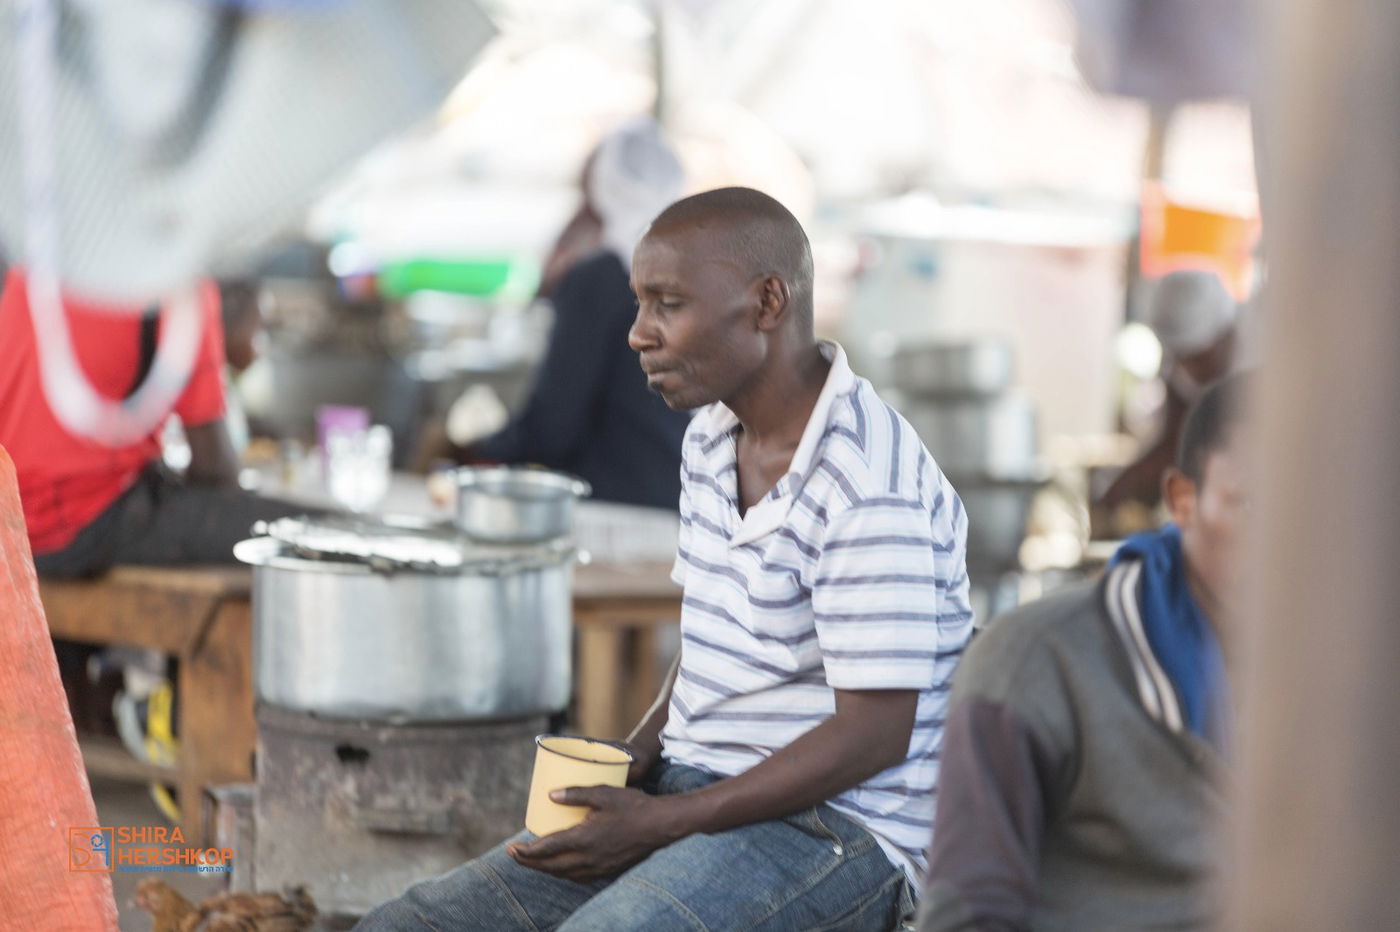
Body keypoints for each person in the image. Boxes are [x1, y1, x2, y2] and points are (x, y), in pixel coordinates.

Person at [356, 187, 973, 930]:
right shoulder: (713, 438)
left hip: (837, 831)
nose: (636, 334)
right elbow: (714, 629)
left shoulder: (867, 480)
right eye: (639, 304)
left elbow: (875, 734)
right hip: (696, 791)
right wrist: (640, 752)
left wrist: (662, 825)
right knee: (408, 924)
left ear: (767, 302)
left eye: (667, 304)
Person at [917, 374, 1248, 931]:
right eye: (1254, 504)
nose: (1295, 540)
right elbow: (968, 916)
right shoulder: (1036, 665)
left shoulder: (1353, 686)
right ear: (1182, 501)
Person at [436, 118, 692, 510]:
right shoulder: (692, 273)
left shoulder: (600, 279)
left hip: (609, 507)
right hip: (681, 504)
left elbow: (555, 427)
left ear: (603, 189)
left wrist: (477, 449)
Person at [0, 267, 310, 578]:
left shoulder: (32, 266)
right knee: (310, 531)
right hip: (83, 525)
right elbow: (215, 471)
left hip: (11, 524)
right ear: (240, 299)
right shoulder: (180, 283)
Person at [1098, 269, 1240, 520]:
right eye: (1180, 356)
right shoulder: (1178, 369)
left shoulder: (1260, 369)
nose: (1187, 367)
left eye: (1197, 356)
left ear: (1224, 334)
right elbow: (1173, 441)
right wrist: (1117, 495)